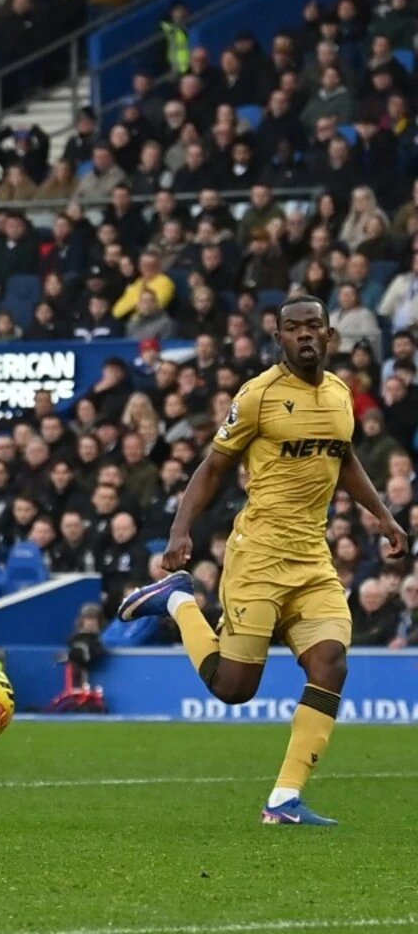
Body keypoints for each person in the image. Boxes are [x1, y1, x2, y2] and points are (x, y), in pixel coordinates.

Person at [119, 295, 408, 826]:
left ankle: (283, 800)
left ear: (329, 335)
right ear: (278, 339)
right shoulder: (258, 396)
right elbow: (213, 466)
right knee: (234, 688)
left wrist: (384, 517)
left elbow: (344, 458)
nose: (304, 334)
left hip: (312, 559)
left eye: (313, 325)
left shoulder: (341, 394)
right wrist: (179, 530)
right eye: (293, 327)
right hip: (258, 556)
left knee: (330, 663)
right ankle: (179, 601)